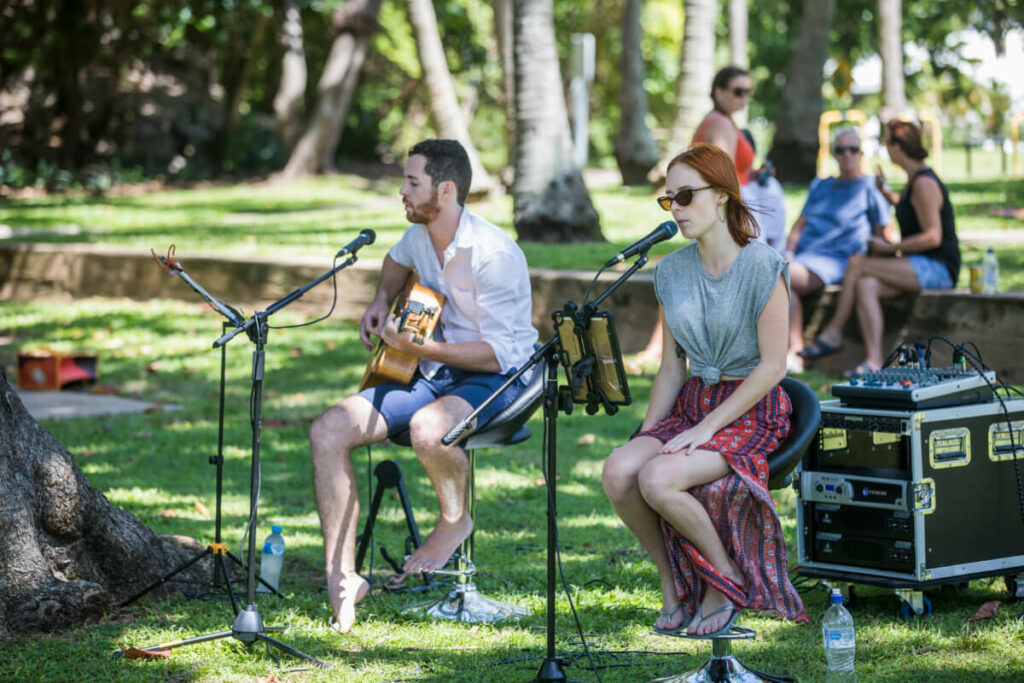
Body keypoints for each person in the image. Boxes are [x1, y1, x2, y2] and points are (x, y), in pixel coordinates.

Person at [309, 139, 538, 633]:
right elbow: (396, 260)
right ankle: (343, 578)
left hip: (502, 374)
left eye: (413, 182)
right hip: (436, 368)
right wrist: (380, 300)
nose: (402, 191)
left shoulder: (494, 255)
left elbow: (498, 352)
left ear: (447, 189)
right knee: (328, 430)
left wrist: (418, 350)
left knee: (428, 429)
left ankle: (455, 519)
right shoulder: (420, 235)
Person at [602, 144, 807, 638]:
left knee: (657, 479)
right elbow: (672, 367)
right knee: (620, 470)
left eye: (686, 196)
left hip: (750, 411)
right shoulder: (671, 272)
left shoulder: (763, 266)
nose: (676, 209)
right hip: (693, 403)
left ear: (721, 197)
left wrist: (706, 428)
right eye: (668, 200)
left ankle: (724, 579)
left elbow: (773, 367)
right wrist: (647, 435)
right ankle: (674, 588)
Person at [630, 66, 785, 371]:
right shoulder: (721, 124)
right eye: (738, 91)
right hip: (725, 208)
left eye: (748, 93)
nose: (744, 98)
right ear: (719, 92)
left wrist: (753, 173)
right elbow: (719, 171)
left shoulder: (717, 122)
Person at [799, 120, 961, 376]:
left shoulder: (924, 183)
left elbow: (933, 237)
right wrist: (886, 193)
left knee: (858, 262)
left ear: (898, 147)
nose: (885, 149)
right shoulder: (913, 181)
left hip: (938, 269)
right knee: (866, 284)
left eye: (887, 144)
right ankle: (874, 361)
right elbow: (911, 209)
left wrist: (890, 248)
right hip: (920, 265)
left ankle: (834, 333)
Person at [785, 128, 891, 373]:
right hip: (805, 257)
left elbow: (883, 232)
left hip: (837, 261)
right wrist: (789, 251)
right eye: (841, 150)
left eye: (852, 149)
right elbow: (799, 226)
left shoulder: (869, 187)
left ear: (861, 153)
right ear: (834, 154)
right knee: (778, 274)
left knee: (781, 275)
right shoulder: (821, 186)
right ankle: (795, 351)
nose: (847, 155)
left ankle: (796, 353)